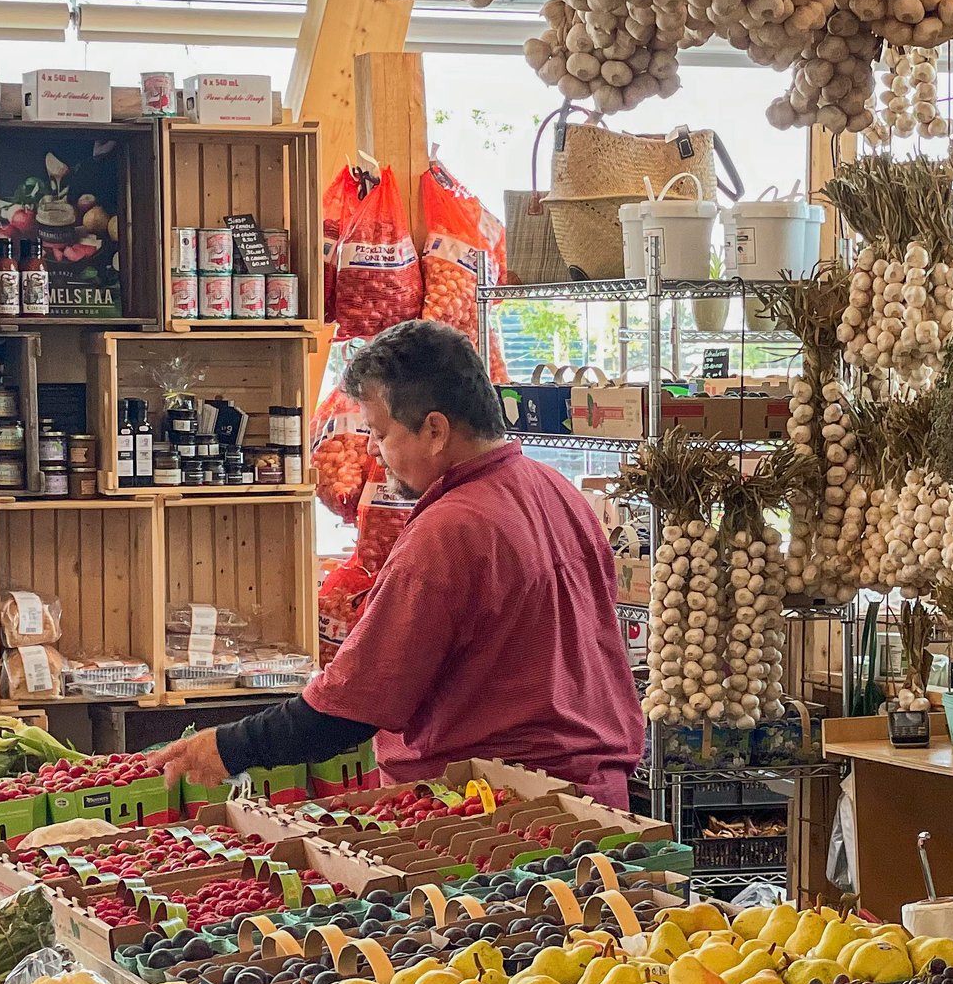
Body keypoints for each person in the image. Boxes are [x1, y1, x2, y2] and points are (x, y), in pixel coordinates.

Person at [154, 319, 644, 803]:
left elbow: (350, 711)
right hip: (596, 799)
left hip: (498, 810)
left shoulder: (449, 530)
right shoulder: (556, 489)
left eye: (380, 431)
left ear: (435, 429)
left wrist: (228, 747)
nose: (371, 449)